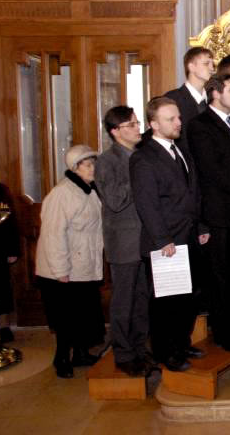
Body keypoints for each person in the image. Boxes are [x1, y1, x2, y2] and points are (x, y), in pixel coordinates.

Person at [130, 97, 210, 372]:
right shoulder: (143, 157)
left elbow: (194, 193)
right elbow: (147, 204)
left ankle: (182, 343)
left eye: (178, 118)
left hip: (189, 237)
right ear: (153, 124)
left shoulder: (181, 150)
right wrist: (163, 240)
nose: (178, 123)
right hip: (165, 243)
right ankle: (166, 353)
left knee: (189, 297)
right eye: (170, 119)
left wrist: (201, 227)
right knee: (166, 303)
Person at [187, 74, 230, 352]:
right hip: (219, 214)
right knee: (221, 278)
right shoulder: (200, 125)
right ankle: (226, 334)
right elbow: (213, 171)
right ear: (215, 93)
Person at [35, 144, 104, 378]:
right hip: (64, 269)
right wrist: (60, 270)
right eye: (87, 165)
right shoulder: (62, 194)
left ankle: (81, 354)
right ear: (75, 168)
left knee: (83, 314)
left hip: (83, 264)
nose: (92, 168)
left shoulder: (89, 190)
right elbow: (53, 235)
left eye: (93, 163)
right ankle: (61, 358)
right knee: (65, 318)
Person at [95, 107, 153, 377]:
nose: (138, 128)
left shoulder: (141, 155)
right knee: (124, 300)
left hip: (145, 239)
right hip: (124, 242)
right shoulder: (107, 161)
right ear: (115, 131)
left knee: (142, 299)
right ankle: (123, 353)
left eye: (137, 123)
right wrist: (137, 175)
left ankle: (140, 348)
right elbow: (115, 200)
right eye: (131, 125)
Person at [164, 47, 214, 147]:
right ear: (191, 67)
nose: (212, 69)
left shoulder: (213, 99)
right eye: (206, 64)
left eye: (213, 64)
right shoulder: (173, 99)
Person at [0, 175, 19, 345]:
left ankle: (4, 327)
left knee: (1, 288)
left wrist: (13, 249)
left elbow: (10, 221)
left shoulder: (0, 191)